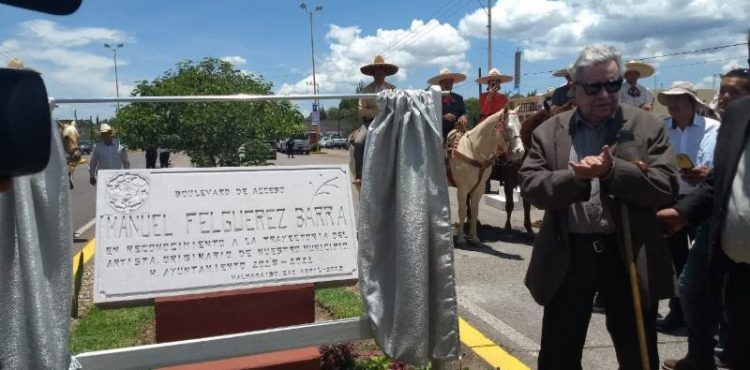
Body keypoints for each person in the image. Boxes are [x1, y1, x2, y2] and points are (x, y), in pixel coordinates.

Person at [519, 44, 678, 370]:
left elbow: (666, 187)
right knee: (558, 355)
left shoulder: (646, 126)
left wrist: (613, 171)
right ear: (574, 88)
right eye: (593, 87)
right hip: (568, 255)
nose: (605, 94)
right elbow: (532, 187)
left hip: (628, 255)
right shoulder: (549, 131)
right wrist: (574, 180)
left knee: (638, 354)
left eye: (613, 84)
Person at [659, 70, 750, 370]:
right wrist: (681, 211)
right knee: (692, 284)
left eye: (734, 93)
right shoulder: (733, 124)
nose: (724, 98)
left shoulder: (714, 127)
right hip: (712, 221)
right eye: (722, 91)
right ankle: (702, 354)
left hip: (715, 221)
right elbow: (722, 180)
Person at [654, 81, 720, 334]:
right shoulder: (662, 129)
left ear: (692, 102)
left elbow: (724, 163)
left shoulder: (714, 128)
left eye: (679, 100)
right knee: (676, 259)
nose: (673, 105)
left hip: (704, 200)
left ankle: (712, 318)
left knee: (707, 261)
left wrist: (708, 173)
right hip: (672, 199)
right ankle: (678, 312)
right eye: (670, 101)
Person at [351, 55, 398, 187]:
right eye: (376, 72)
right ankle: (359, 174)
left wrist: (388, 114)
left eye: (381, 72)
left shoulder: (393, 89)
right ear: (372, 74)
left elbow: (398, 106)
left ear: (385, 74)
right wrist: (379, 113)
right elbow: (361, 110)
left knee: (406, 138)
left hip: (390, 121)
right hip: (370, 123)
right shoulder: (366, 90)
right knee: (359, 142)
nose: (379, 75)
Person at [427, 67, 468, 144]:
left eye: (450, 82)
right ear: (440, 83)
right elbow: (428, 116)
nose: (448, 84)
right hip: (437, 135)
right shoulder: (432, 99)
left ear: (453, 83)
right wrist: (442, 117)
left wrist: (463, 117)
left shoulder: (459, 98)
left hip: (456, 136)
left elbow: (463, 112)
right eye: (445, 82)